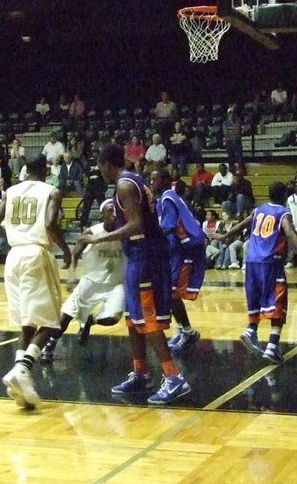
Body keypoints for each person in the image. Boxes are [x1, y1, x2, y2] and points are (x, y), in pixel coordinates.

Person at [77, 143, 189, 405]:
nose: (99, 171)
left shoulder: (125, 185)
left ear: (107, 164)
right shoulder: (132, 182)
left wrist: (99, 238)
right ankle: (141, 372)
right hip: (140, 256)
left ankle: (174, 378)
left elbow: (137, 223)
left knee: (148, 320)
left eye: (99, 166)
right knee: (133, 318)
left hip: (146, 256)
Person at [0, 152, 72, 409]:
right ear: (45, 169)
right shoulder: (51, 191)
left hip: (13, 256)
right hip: (36, 253)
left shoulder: (10, 192)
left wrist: (14, 235)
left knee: (27, 322)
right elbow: (49, 224)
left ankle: (21, 381)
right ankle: (22, 370)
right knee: (51, 321)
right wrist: (66, 251)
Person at [224, 181, 297, 364]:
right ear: (283, 196)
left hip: (251, 261)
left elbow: (240, 226)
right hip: (270, 263)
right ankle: (272, 346)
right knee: (278, 302)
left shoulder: (258, 210)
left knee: (257, 299)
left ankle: (251, 330)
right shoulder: (283, 213)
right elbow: (290, 233)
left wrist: (224, 236)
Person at [41, 199, 125, 363]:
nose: (114, 213)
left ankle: (89, 321)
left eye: (116, 210)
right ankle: (49, 345)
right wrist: (71, 276)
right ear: (101, 214)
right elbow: (74, 253)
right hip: (91, 282)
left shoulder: (124, 233)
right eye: (109, 210)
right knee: (66, 315)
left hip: (115, 284)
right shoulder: (92, 232)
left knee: (112, 318)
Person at [151, 167, 207, 353]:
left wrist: (148, 236)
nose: (152, 183)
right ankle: (183, 330)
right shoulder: (165, 198)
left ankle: (188, 332)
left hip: (187, 248)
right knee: (169, 293)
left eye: (155, 179)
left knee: (172, 294)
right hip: (178, 250)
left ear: (166, 180)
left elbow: (167, 227)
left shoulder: (167, 197)